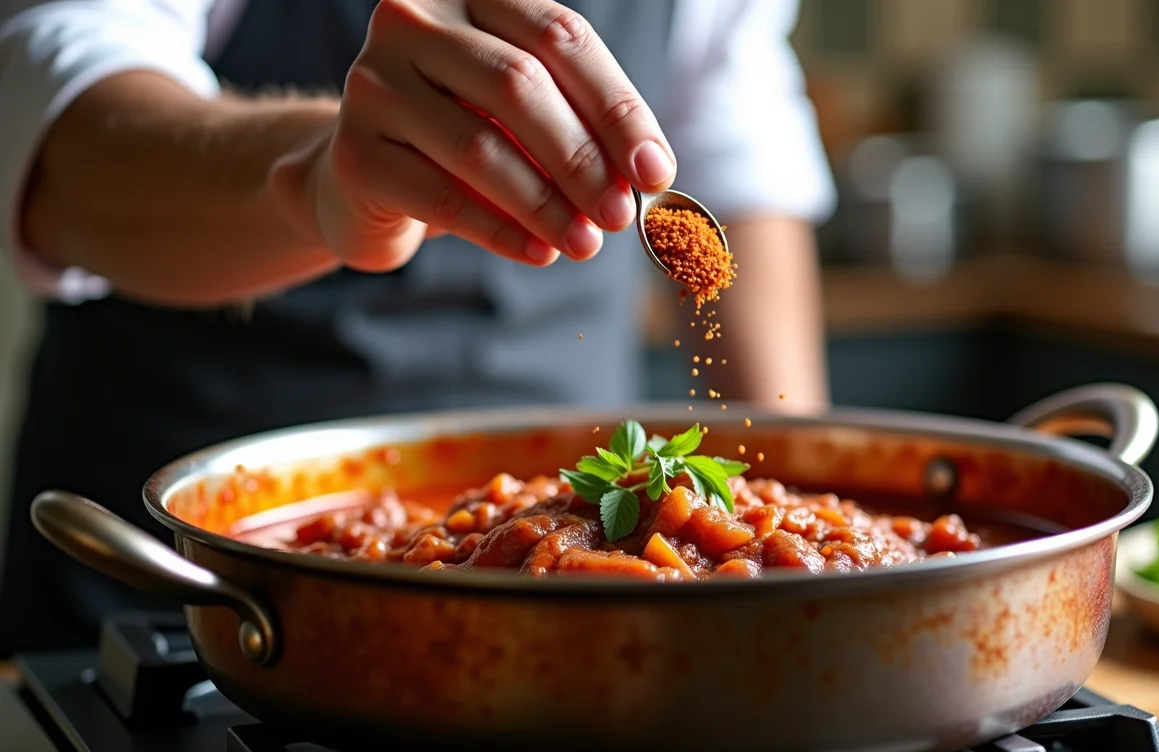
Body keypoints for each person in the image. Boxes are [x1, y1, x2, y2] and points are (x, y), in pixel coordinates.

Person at [0, 0, 835, 655]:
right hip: (211, 602)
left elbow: (741, 168)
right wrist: (313, 178)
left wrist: (798, 544)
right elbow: (56, 133)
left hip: (618, 639)